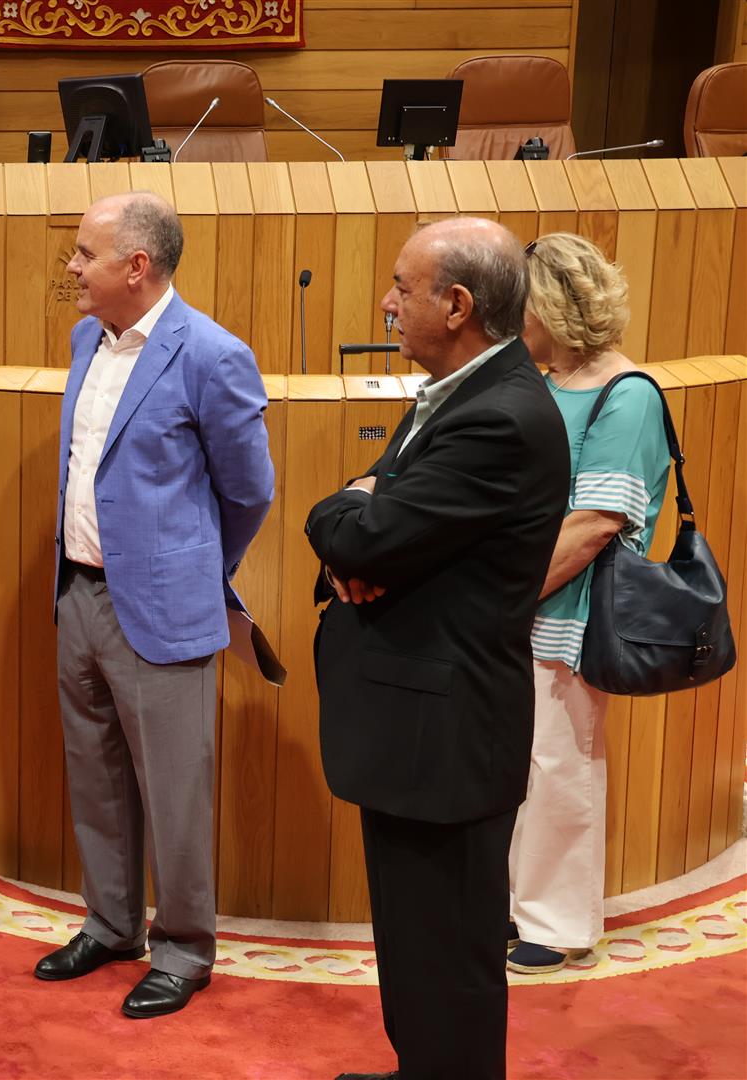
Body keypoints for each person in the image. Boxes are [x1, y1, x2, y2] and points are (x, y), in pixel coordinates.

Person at [306, 217, 570, 1080]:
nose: (387, 304)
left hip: (446, 741)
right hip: (420, 729)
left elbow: (363, 537)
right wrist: (370, 517)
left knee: (448, 964)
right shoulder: (470, 392)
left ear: (457, 305)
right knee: (418, 954)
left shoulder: (499, 417)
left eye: (402, 288)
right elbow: (381, 534)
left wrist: (350, 505)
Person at [33, 192, 275, 1019]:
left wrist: (191, 566)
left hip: (164, 609)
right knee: (95, 773)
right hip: (78, 594)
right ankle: (110, 923)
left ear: (136, 267)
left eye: (84, 254)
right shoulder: (83, 339)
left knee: (175, 789)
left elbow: (248, 492)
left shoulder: (212, 355)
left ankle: (183, 948)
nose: (71, 268)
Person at [507, 233, 669, 975]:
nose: (516, 322)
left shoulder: (626, 394)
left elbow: (593, 526)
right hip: (521, 610)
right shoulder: (545, 382)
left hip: (569, 613)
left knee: (559, 764)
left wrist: (503, 596)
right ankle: (516, 904)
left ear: (554, 307)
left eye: (525, 307)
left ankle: (558, 920)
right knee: (519, 764)